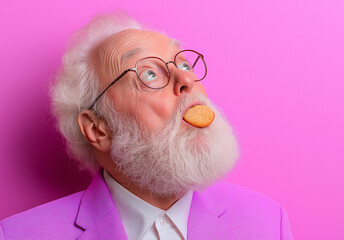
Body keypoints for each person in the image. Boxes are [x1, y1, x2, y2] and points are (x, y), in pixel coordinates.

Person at [0, 13, 293, 240]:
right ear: (97, 128)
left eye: (185, 64)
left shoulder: (266, 220)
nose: (187, 81)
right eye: (150, 73)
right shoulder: (17, 235)